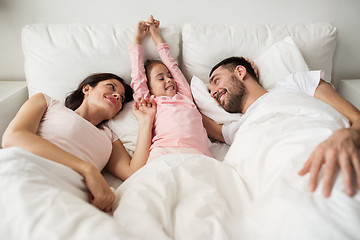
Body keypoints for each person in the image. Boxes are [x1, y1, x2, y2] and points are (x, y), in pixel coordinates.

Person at [202, 56, 360, 198]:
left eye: (216, 81)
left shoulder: (294, 84)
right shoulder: (236, 128)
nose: (212, 94)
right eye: (209, 91)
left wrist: (349, 134)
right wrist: (176, 93)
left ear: (240, 71)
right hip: (278, 182)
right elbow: (195, 117)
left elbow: (356, 117)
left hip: (327, 153)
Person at [1, 73, 156, 212]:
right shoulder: (47, 103)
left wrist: (145, 122)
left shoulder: (109, 137)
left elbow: (133, 173)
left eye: (121, 98)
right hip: (26, 173)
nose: (117, 96)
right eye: (111, 87)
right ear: (86, 89)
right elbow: (13, 138)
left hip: (68, 198)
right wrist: (87, 169)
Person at [129, 15, 212, 161]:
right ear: (149, 88)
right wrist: (137, 40)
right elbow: (138, 76)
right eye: (160, 78)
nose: (169, 79)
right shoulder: (150, 102)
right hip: (163, 150)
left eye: (169, 76)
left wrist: (156, 35)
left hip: (197, 151)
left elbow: (171, 64)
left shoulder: (185, 95)